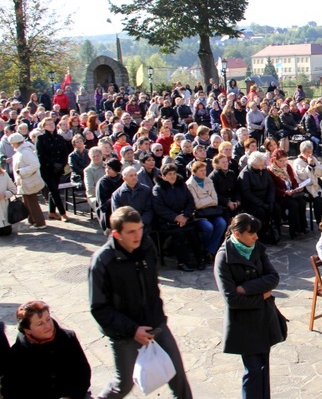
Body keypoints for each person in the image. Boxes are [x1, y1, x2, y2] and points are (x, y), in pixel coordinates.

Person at [89, 206, 192, 398]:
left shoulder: (146, 246)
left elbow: (152, 286)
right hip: (125, 335)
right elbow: (99, 308)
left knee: (178, 379)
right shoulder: (102, 261)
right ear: (116, 234)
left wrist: (158, 317)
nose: (138, 235)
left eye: (140, 229)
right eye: (131, 232)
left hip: (156, 324)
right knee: (124, 384)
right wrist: (132, 330)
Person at [213, 213, 284, 399]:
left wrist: (245, 288)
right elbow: (231, 299)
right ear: (237, 234)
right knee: (252, 371)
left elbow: (273, 277)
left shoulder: (256, 248)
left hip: (263, 319)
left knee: (263, 368)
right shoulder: (224, 258)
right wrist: (261, 296)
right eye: (251, 234)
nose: (256, 237)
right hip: (244, 324)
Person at [1, 300, 91, 399]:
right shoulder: (16, 355)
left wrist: (70, 395)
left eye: (48, 319)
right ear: (27, 330)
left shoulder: (68, 338)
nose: (48, 326)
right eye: (40, 323)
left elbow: (83, 372)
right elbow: (12, 391)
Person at [152, 163, 206, 272]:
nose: (173, 176)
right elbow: (159, 208)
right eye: (169, 174)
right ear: (163, 176)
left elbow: (190, 202)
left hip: (185, 219)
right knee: (179, 234)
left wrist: (185, 216)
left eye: (174, 173)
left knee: (192, 232)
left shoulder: (181, 185)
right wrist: (176, 217)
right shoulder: (158, 189)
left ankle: (200, 260)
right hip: (168, 222)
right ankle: (183, 262)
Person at [186, 161, 226, 260]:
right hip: (199, 214)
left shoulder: (209, 181)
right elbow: (196, 204)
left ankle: (210, 250)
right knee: (208, 227)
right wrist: (209, 199)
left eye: (204, 170)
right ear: (194, 172)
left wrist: (204, 200)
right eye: (201, 171)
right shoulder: (189, 184)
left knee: (222, 223)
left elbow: (215, 200)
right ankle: (207, 250)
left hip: (212, 211)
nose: (204, 173)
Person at [238, 151, 282, 244]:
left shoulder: (264, 171)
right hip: (253, 202)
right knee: (261, 213)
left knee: (276, 208)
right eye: (261, 165)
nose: (263, 166)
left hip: (265, 198)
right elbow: (247, 193)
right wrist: (261, 204)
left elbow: (271, 186)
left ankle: (276, 233)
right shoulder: (245, 174)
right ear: (254, 165)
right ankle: (261, 235)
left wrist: (270, 201)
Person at [268, 149, 308, 239]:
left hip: (291, 193)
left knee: (302, 202)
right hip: (280, 197)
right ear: (274, 160)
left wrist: (297, 187)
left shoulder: (287, 167)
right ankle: (294, 231)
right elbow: (273, 187)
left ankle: (302, 227)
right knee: (293, 205)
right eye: (281, 161)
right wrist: (284, 192)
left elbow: (293, 180)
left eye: (285, 160)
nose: (283, 163)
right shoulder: (270, 171)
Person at [8, 132, 45, 229]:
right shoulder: (22, 151)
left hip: (29, 181)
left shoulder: (25, 152)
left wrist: (22, 171)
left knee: (32, 202)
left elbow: (35, 165)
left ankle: (39, 223)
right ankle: (32, 220)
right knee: (27, 201)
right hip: (25, 181)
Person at [36, 116, 69, 221]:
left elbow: (64, 152)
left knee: (53, 190)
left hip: (58, 168)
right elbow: (40, 155)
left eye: (52, 123)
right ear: (44, 126)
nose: (51, 126)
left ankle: (52, 212)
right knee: (54, 190)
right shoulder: (41, 138)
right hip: (47, 169)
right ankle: (63, 213)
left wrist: (62, 164)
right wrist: (52, 163)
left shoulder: (59, 137)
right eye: (48, 124)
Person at [292, 140, 322, 225]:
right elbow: (303, 176)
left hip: (315, 186)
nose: (310, 154)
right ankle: (320, 223)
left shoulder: (313, 158)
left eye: (311, 151)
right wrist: (309, 166)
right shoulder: (298, 162)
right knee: (317, 201)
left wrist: (314, 166)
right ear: (303, 152)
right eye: (308, 152)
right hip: (305, 188)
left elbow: (321, 172)